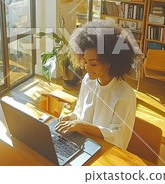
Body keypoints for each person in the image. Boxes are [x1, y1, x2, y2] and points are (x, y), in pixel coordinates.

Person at [55, 19, 138, 149]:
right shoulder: (88, 80)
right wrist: (70, 118)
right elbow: (80, 111)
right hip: (83, 143)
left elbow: (118, 138)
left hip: (107, 151)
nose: (87, 68)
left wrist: (81, 126)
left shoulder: (124, 94)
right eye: (85, 62)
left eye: (93, 64)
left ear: (109, 61)